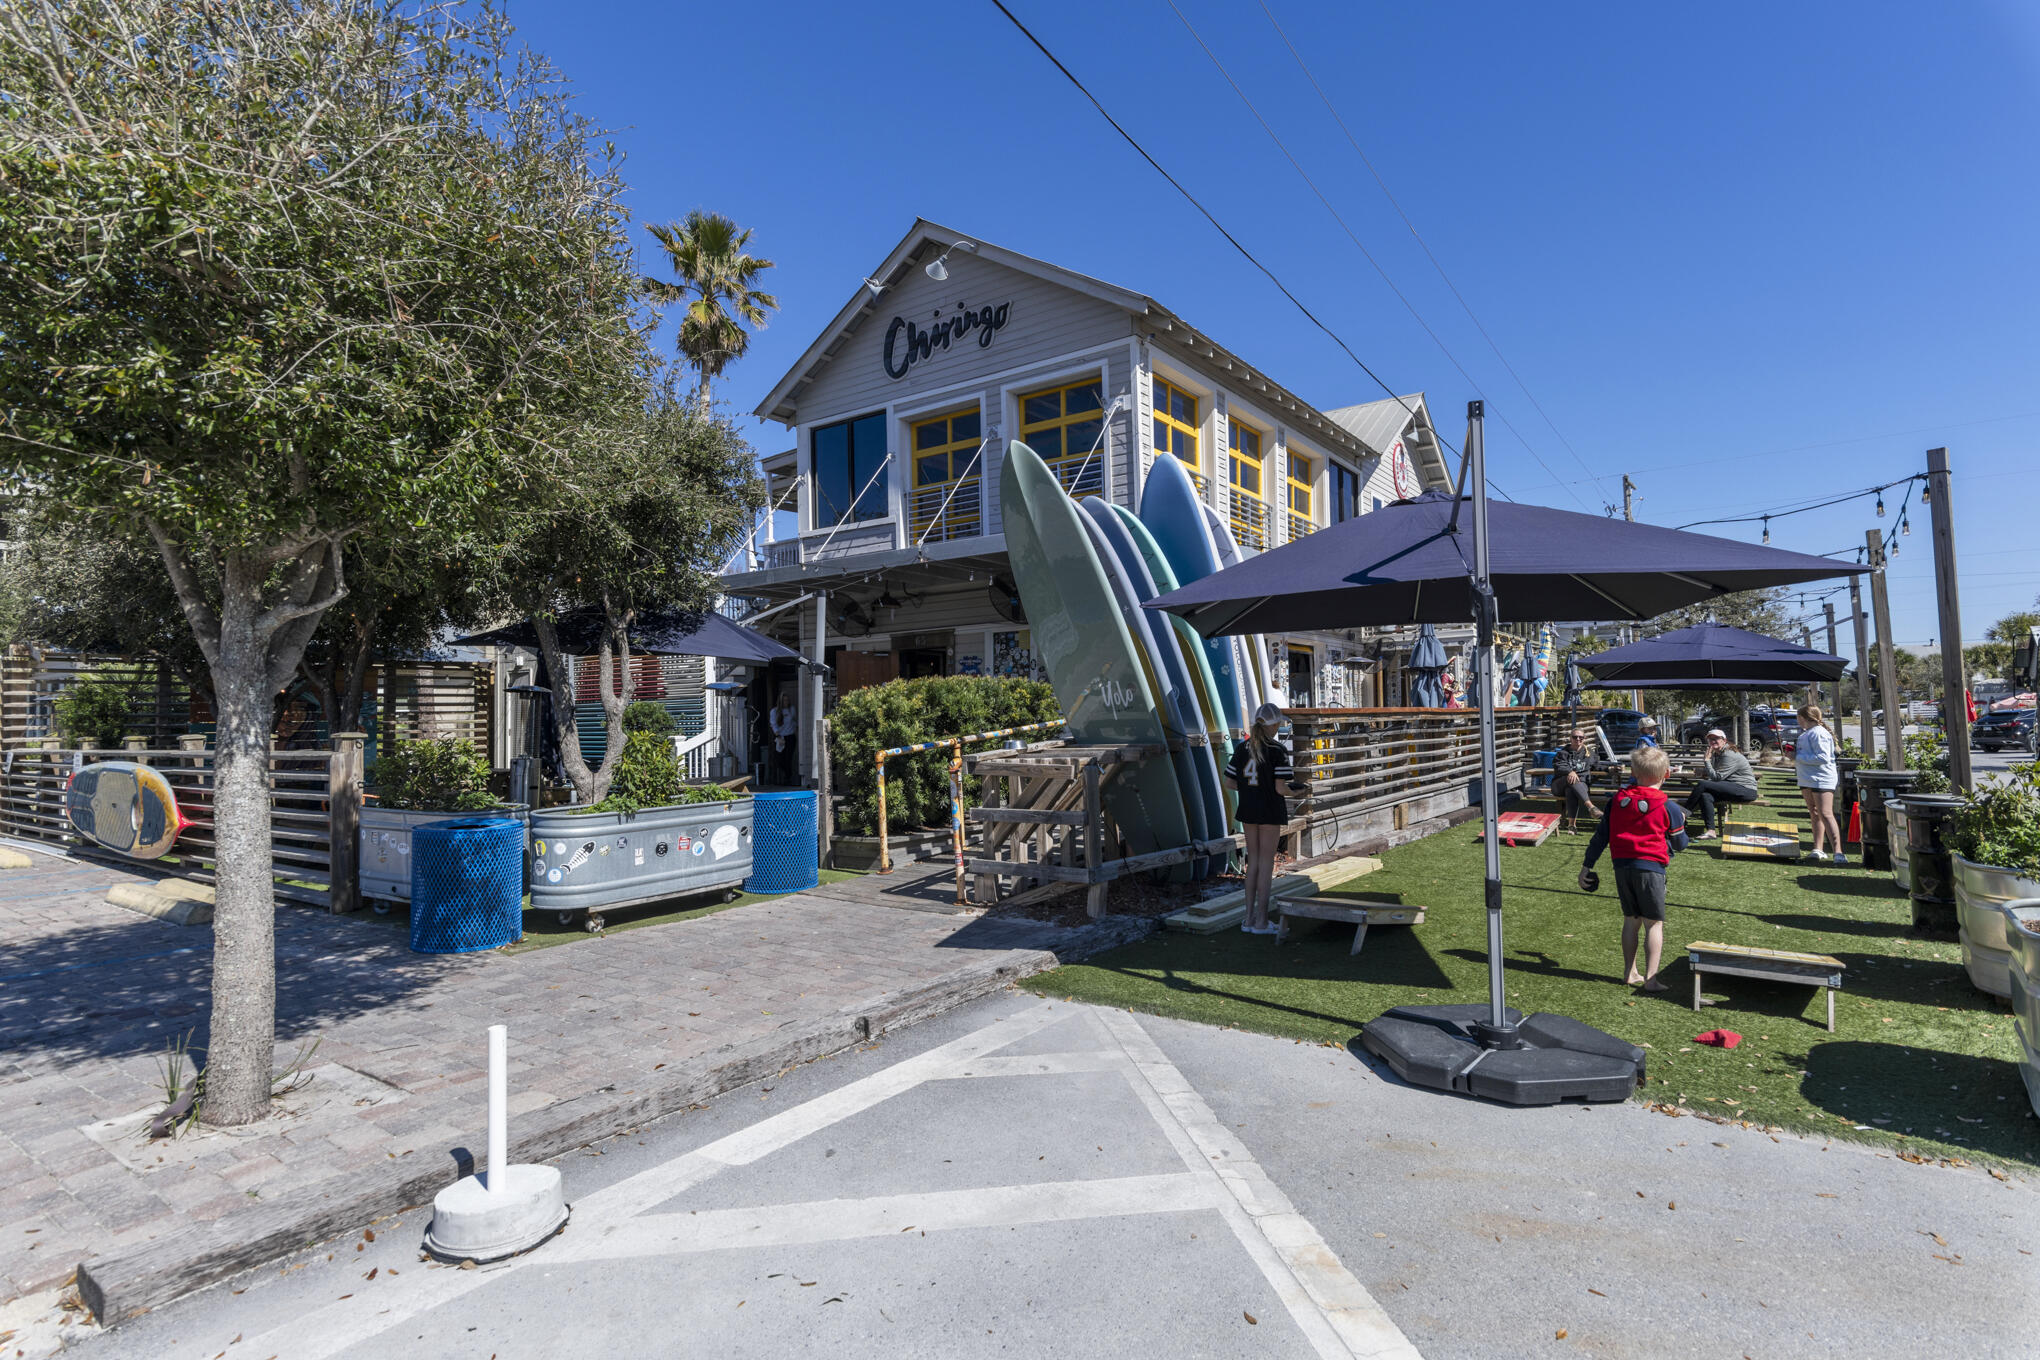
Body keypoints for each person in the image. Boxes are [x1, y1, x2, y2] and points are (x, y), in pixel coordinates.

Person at [1579, 744, 1689, 991]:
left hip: (1622, 868)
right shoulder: (1668, 806)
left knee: (1631, 920)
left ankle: (1629, 972)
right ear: (1666, 774)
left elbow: (1600, 837)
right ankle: (1651, 979)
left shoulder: (1617, 800)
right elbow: (1681, 844)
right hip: (1651, 870)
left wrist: (1586, 866)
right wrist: (1681, 823)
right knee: (1654, 923)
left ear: (1633, 772)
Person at [1225, 702, 1310, 936]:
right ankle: (1262, 921)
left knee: (1252, 864)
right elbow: (1281, 789)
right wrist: (1298, 790)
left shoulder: (1243, 748)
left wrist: (1250, 791)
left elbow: (1230, 782)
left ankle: (1248, 919)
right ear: (1274, 724)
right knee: (1266, 864)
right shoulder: (1277, 750)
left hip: (1248, 810)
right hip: (1270, 811)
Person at [1681, 728, 1759, 839]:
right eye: (1710, 739)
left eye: (1716, 738)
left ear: (1724, 740)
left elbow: (1717, 777)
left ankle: (1683, 814)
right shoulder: (1717, 754)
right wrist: (1703, 771)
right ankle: (1711, 831)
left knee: (1702, 784)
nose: (1712, 741)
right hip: (1732, 787)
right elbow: (1718, 773)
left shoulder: (1729, 754)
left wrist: (1707, 761)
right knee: (1705, 795)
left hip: (1746, 790)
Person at [1794, 703, 1844, 863]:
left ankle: (1838, 852)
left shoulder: (1819, 733)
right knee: (1814, 812)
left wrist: (1797, 757)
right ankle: (1818, 848)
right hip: (1807, 778)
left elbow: (1823, 757)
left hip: (1821, 778)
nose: (1797, 720)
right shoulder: (1805, 734)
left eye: (1798, 717)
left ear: (1802, 718)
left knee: (1826, 813)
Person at [1550, 728, 1600, 832]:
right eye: (1575, 737)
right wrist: (1570, 771)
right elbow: (1558, 765)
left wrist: (1610, 768)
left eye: (1581, 737)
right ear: (1570, 738)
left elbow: (1597, 766)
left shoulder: (1588, 753)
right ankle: (1590, 807)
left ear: (1584, 739)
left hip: (1579, 785)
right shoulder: (1563, 753)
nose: (1578, 739)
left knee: (1571, 789)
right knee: (1571, 779)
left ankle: (1571, 826)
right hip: (1560, 785)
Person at [768, 691, 799, 786]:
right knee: (779, 759)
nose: (786, 702)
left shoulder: (791, 709)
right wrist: (778, 736)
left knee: (788, 758)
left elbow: (795, 722)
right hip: (780, 737)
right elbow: (773, 725)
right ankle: (784, 776)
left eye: (787, 700)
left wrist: (796, 732)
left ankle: (787, 778)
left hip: (790, 737)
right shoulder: (774, 711)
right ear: (780, 701)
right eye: (784, 700)